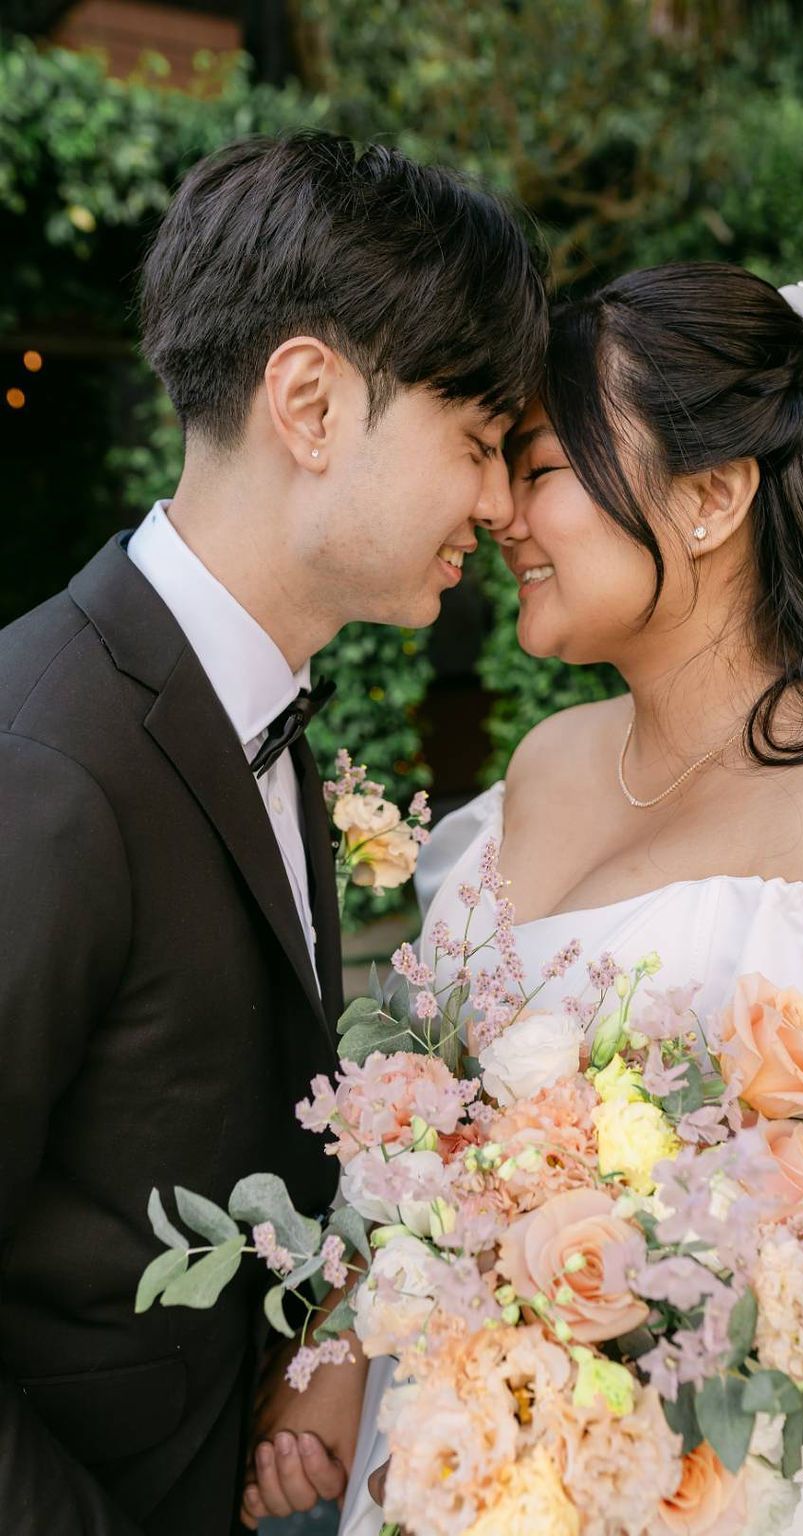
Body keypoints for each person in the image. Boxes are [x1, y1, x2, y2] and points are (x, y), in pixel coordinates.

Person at [340, 262, 803, 1535]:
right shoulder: (540, 772)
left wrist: (629, 1341)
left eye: (538, 465)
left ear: (709, 498)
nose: (497, 508)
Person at [0, 130, 545, 1535]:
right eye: (476, 442)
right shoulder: (42, 764)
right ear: (309, 400)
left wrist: (296, 1362)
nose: (498, 505)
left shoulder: (250, 699)